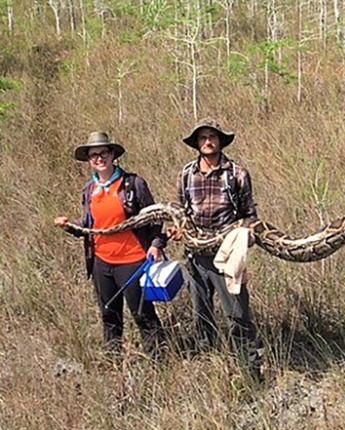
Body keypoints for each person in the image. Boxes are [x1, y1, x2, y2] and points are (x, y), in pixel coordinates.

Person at [54, 131, 166, 358]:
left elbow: (155, 217)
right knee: (109, 314)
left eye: (103, 152)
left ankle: (159, 361)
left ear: (113, 154)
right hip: (101, 262)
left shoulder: (133, 184)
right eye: (93, 155)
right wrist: (70, 226)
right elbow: (90, 226)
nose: (98, 158)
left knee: (142, 313)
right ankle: (113, 361)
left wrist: (156, 244)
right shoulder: (89, 190)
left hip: (133, 260)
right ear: (89, 160)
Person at [171, 119, 263, 379]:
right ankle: (209, 366)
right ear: (197, 144)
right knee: (201, 313)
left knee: (237, 313)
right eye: (202, 138)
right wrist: (178, 230)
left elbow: (249, 215)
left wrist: (244, 234)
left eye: (212, 137)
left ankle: (250, 369)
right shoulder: (186, 174)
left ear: (220, 141)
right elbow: (180, 211)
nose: (208, 141)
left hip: (228, 255)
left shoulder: (237, 173)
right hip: (195, 255)